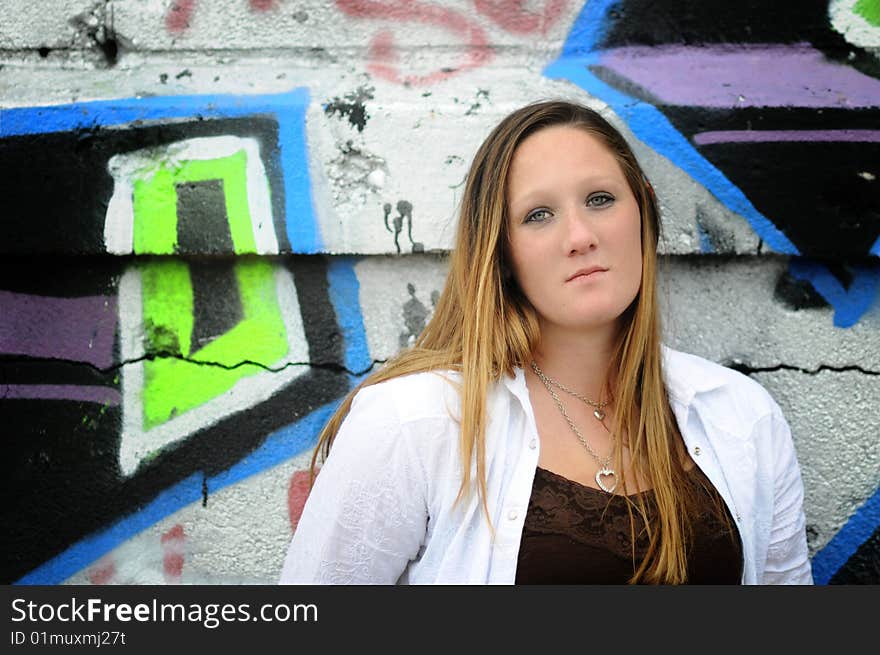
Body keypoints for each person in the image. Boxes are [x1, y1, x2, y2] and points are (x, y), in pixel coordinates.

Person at [279, 100, 812, 584]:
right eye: (538, 215)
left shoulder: (742, 417)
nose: (580, 236)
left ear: (644, 213)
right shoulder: (417, 421)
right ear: (502, 253)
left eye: (600, 199)